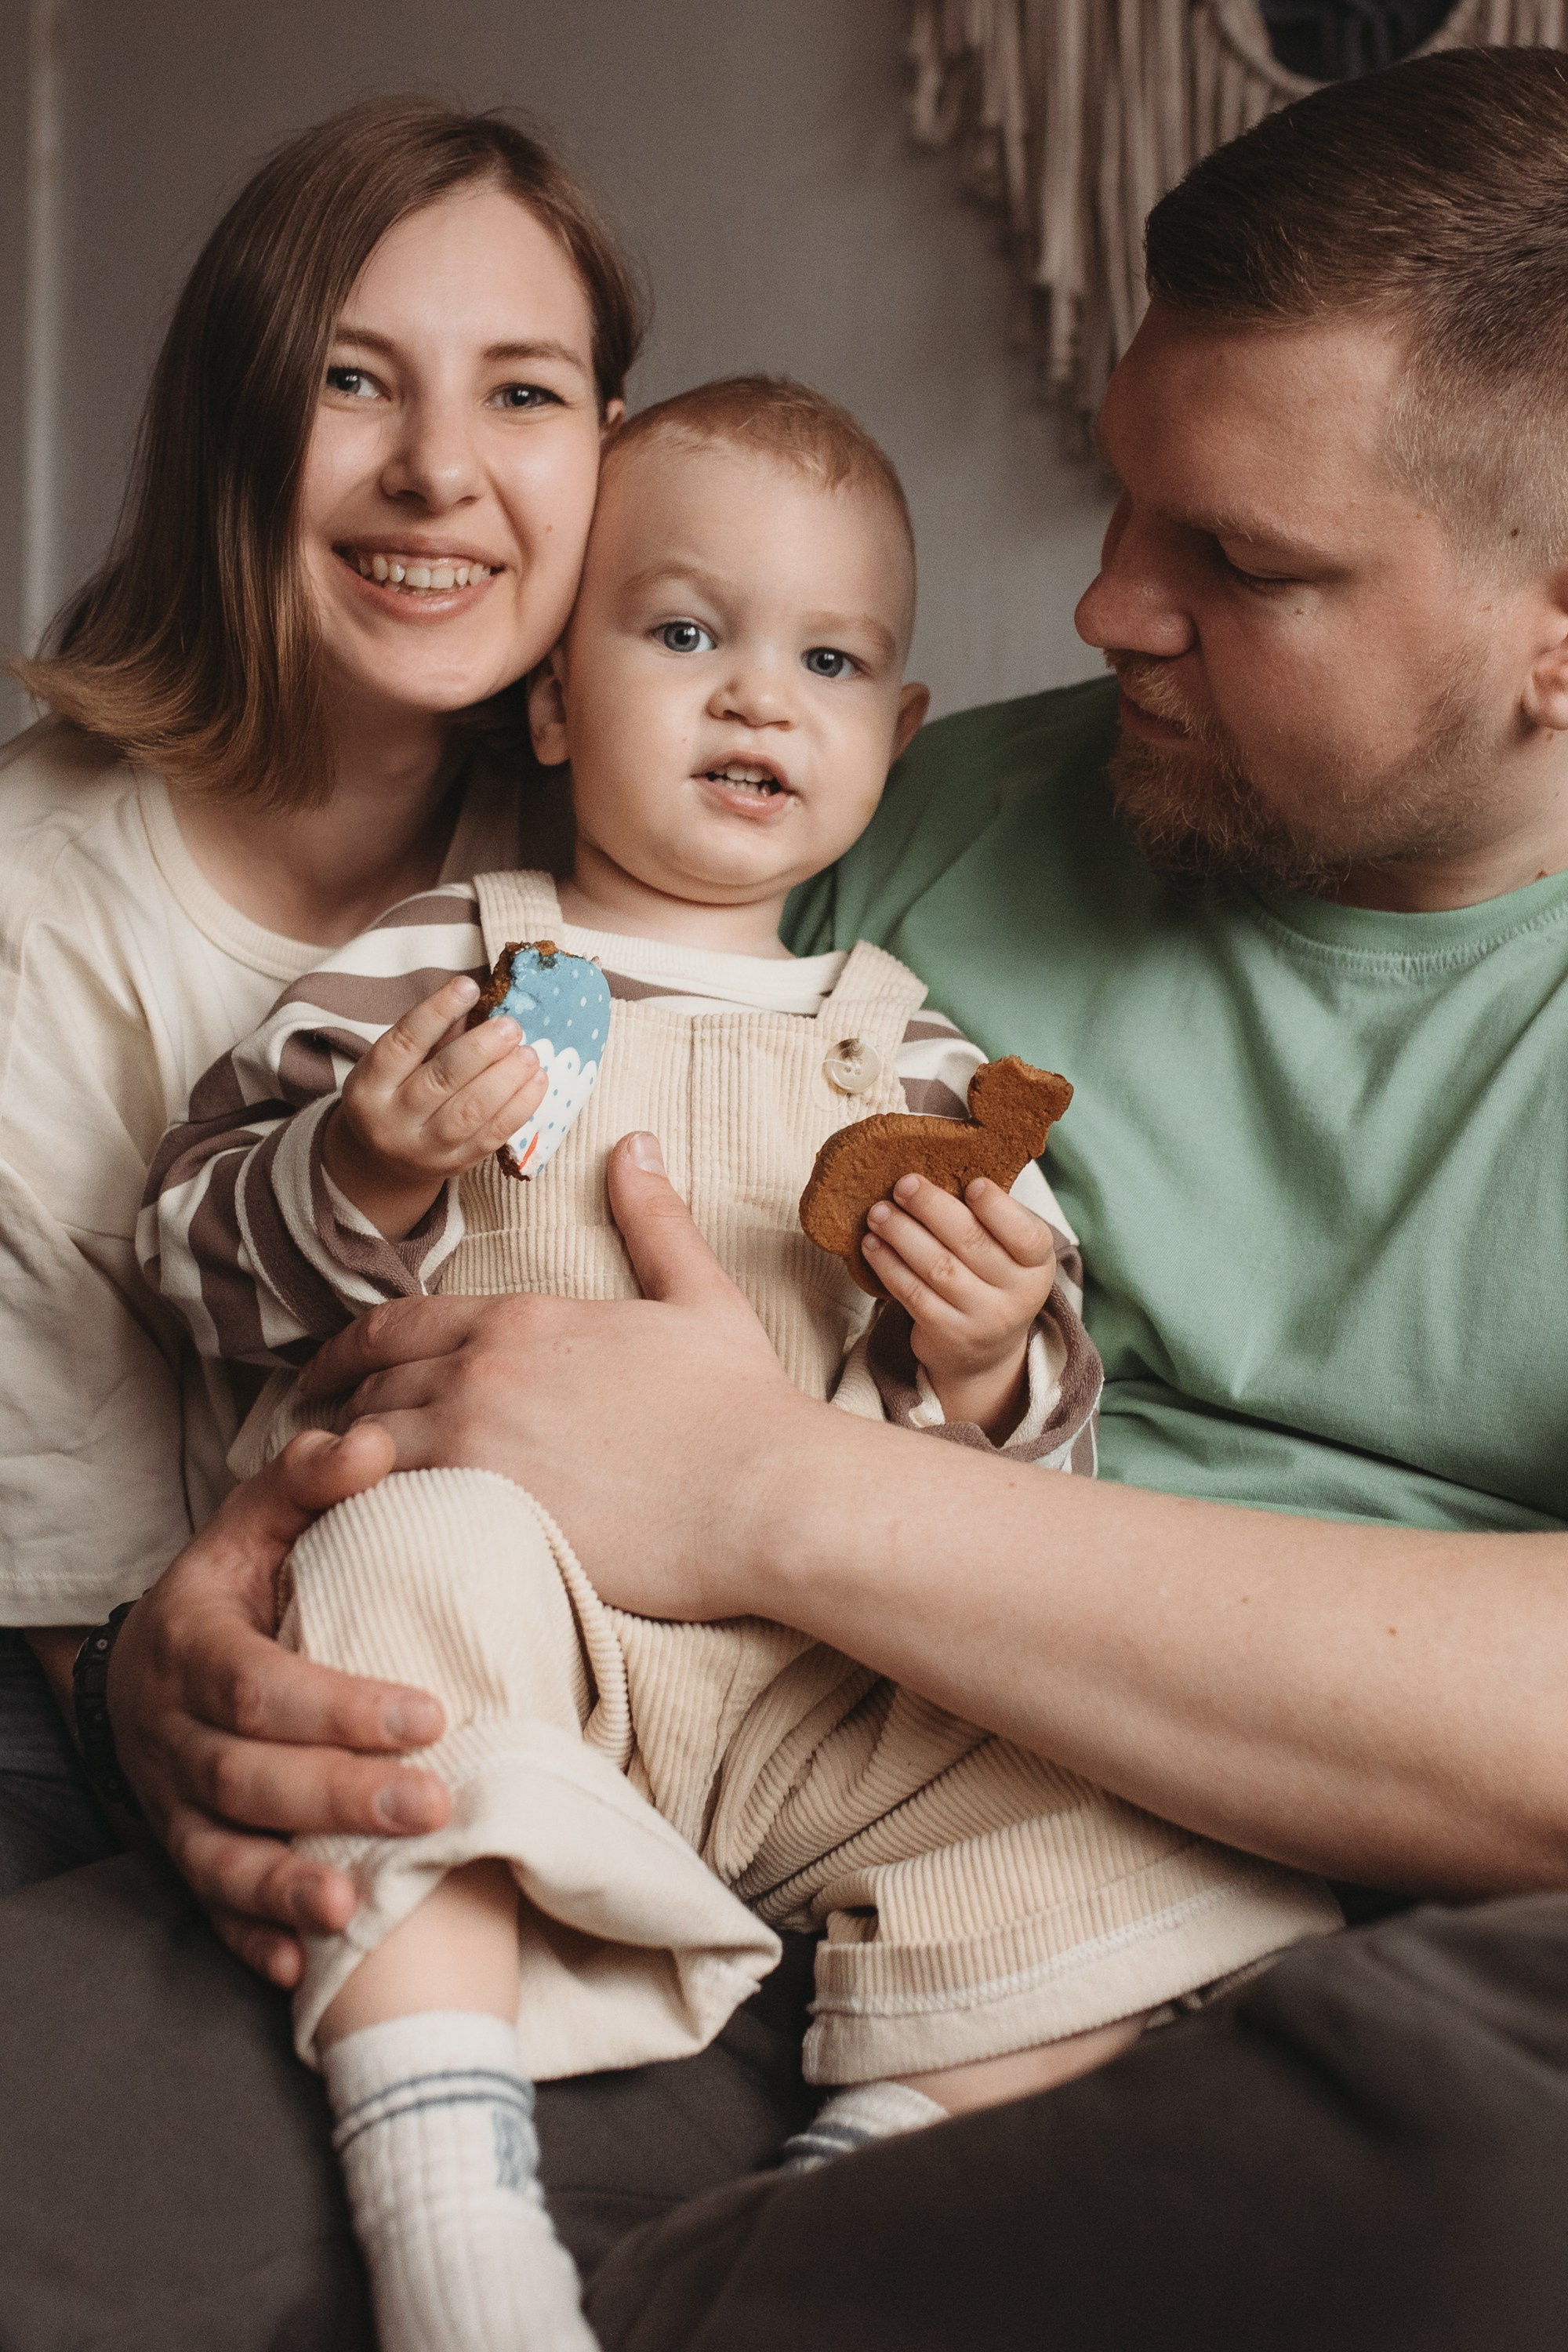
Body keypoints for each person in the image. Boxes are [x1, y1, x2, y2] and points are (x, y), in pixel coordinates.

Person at [9, 42, 1568, 2352]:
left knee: (1471, 2209)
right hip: (621, 1751)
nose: (1104, 608)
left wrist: (766, 1492)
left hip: (1213, 1890)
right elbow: (355, 1134)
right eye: (1128, 505)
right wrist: (165, 1651)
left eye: (1237, 564)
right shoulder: (897, 829)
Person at [143, 375, 1334, 2352]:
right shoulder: (435, 969)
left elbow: (1036, 1447)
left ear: (897, 731)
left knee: (1154, 1803)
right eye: (685, 633)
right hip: (531, 1647)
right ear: (548, 699)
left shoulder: (915, 1053)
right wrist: (354, 1162)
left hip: (822, 1688)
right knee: (392, 1578)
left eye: (830, 658)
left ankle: (842, 2193)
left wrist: (979, 1359)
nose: (756, 699)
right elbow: (187, 1264)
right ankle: (454, 2225)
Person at [0, 94, 639, 1896]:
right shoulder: (37, 907)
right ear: (231, 427)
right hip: (111, 1653)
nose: (441, 471)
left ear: (611, 448)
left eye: (520, 393)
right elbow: (100, 1624)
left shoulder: (638, 836)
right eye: (356, 381)